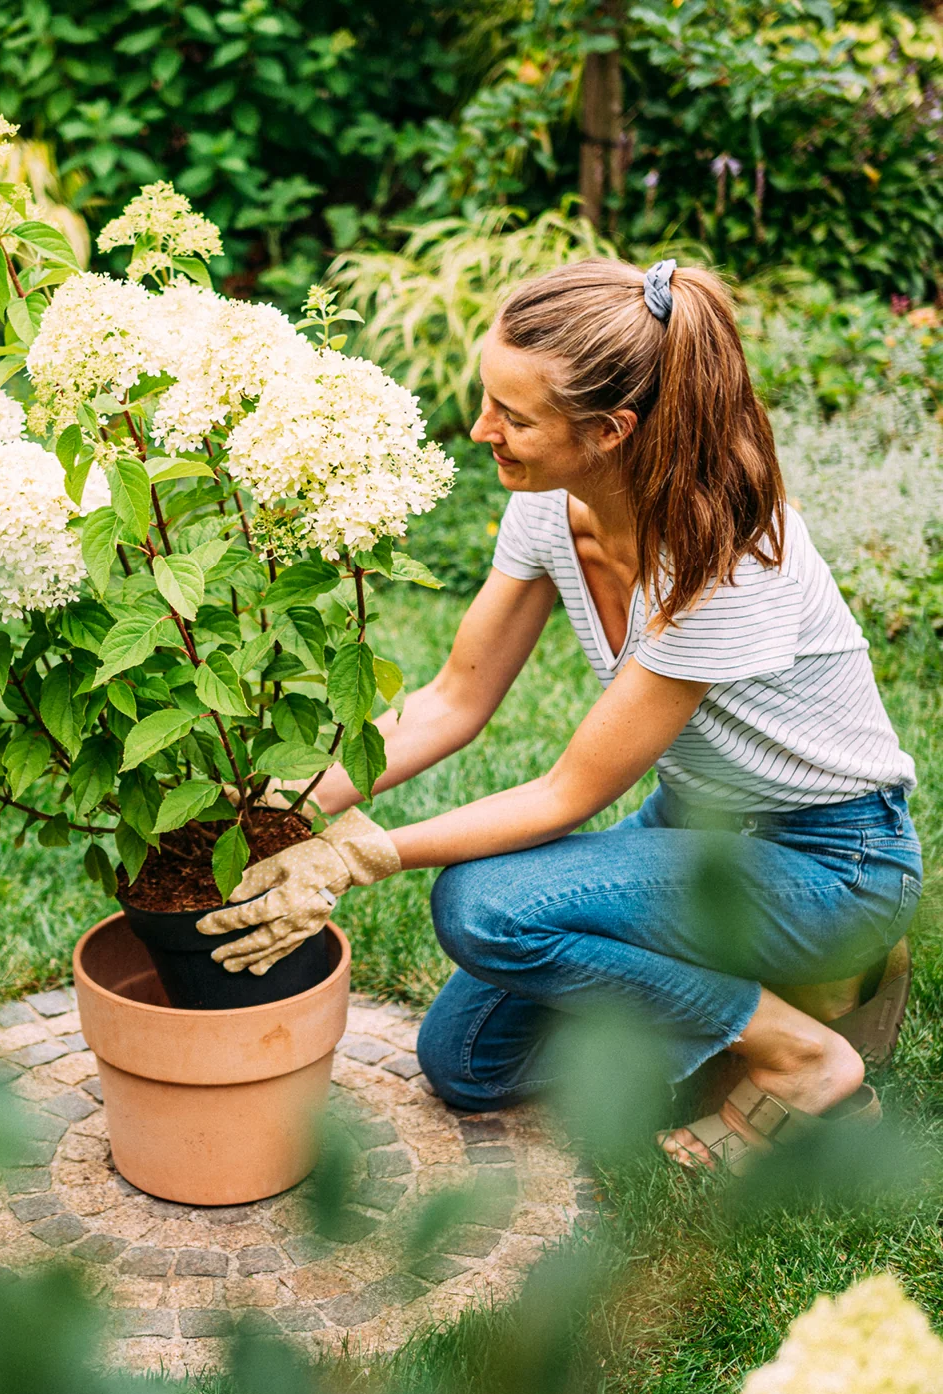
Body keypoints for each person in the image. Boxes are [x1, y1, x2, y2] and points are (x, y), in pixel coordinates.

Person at [197, 259, 922, 1176]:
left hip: (832, 860)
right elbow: (454, 702)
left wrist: (354, 853)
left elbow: (566, 793)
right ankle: (786, 990)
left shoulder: (726, 564)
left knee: (483, 907)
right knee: (465, 1062)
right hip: (692, 826)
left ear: (612, 430)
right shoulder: (552, 507)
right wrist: (281, 806)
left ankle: (806, 1048)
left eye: (515, 415)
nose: (481, 429)